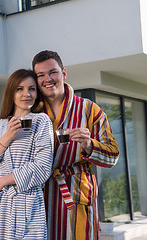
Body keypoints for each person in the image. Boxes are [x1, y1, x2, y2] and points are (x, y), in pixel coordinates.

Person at [32, 50, 119, 240]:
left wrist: (89, 145)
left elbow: (113, 156)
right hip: (40, 196)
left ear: (63, 73)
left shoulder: (89, 110)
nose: (47, 79)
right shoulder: (31, 112)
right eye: (40, 75)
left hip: (76, 193)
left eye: (52, 72)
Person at [0, 69, 54, 239]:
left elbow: (42, 167)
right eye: (20, 89)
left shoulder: (41, 122)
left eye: (32, 89)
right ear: (11, 92)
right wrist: (8, 136)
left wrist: (1, 181)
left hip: (27, 205)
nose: (26, 94)